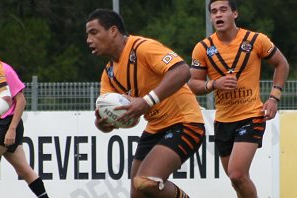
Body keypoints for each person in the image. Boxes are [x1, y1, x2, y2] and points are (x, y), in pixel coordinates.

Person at [86, 9, 205, 198]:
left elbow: (183, 71)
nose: (89, 40)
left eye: (94, 32)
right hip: (155, 128)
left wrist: (146, 101)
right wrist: (103, 123)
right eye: (88, 35)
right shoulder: (108, 74)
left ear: (113, 31)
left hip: (185, 122)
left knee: (147, 181)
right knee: (137, 193)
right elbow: (113, 122)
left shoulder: (142, 47)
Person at [188, 0, 289, 197]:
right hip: (223, 121)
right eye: (214, 12)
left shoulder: (255, 40)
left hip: (251, 116)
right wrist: (214, 84)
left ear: (234, 14)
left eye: (223, 10)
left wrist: (274, 97)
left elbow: (281, 64)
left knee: (236, 174)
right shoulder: (203, 48)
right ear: (210, 17)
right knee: (238, 180)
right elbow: (193, 84)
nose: (218, 15)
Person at [0, 59, 49, 198]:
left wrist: (12, 129)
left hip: (7, 124)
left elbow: (21, 100)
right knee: (24, 171)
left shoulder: (5, 70)